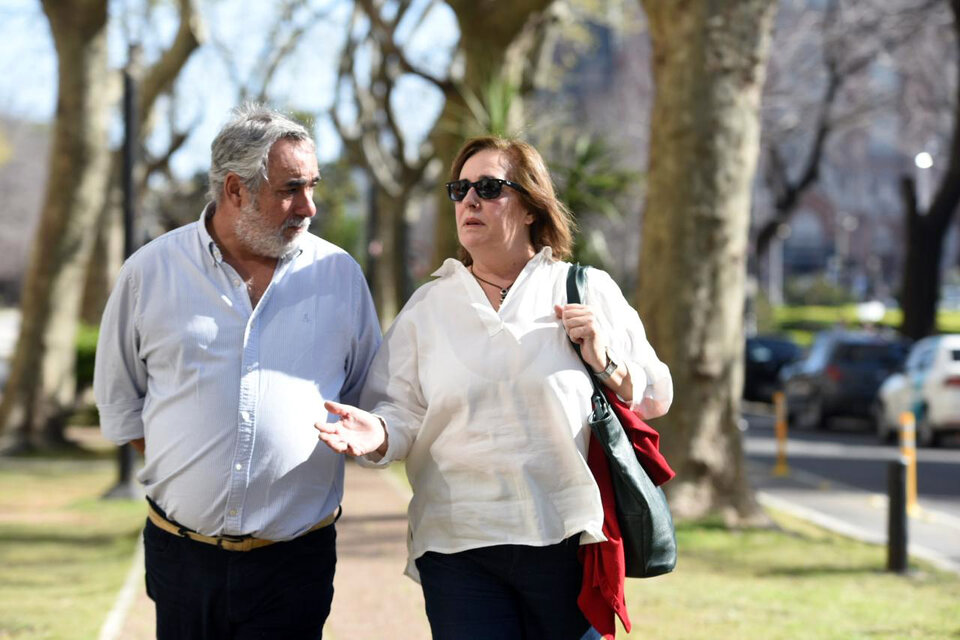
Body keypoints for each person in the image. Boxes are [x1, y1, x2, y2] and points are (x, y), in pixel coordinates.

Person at [316, 136, 672, 640]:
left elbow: (658, 395)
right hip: (457, 544)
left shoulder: (585, 288)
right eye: (459, 189)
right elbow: (399, 413)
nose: (469, 201)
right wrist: (375, 432)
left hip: (565, 539)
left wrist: (606, 359)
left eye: (488, 187)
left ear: (530, 206)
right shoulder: (428, 306)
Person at [93, 104, 382, 640]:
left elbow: (372, 397)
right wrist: (196, 465)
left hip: (296, 561)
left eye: (313, 186)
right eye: (291, 189)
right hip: (182, 558)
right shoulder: (148, 273)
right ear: (235, 189)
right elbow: (122, 405)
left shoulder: (340, 275)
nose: (309, 207)